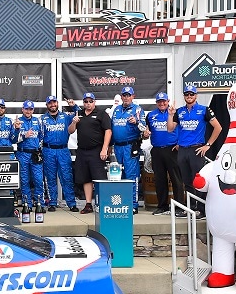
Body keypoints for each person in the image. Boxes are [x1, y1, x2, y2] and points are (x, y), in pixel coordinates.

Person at [166, 84, 222, 219]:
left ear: (196, 96)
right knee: (187, 181)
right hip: (182, 150)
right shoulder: (179, 111)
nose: (189, 96)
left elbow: (218, 127)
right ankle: (191, 209)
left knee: (199, 181)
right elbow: (170, 129)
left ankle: (202, 210)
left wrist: (208, 145)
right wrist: (170, 115)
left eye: (191, 94)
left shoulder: (204, 110)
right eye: (187, 94)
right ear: (184, 96)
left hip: (197, 149)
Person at [68, 92, 112, 214]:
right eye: (86, 102)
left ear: (94, 102)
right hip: (82, 151)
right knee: (85, 178)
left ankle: (102, 204)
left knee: (99, 178)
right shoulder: (79, 114)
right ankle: (88, 204)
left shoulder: (101, 114)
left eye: (90, 101)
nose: (88, 104)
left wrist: (104, 149)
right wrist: (74, 122)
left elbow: (108, 132)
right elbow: (70, 131)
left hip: (96, 150)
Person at [144, 92, 185, 216]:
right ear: (156, 103)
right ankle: (162, 206)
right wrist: (145, 134)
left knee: (176, 179)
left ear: (168, 101)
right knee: (160, 179)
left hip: (172, 149)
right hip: (157, 150)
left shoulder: (175, 113)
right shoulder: (151, 115)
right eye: (159, 101)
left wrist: (180, 143)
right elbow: (147, 131)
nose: (162, 103)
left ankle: (178, 208)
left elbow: (184, 129)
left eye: (164, 101)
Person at [111, 86, 145, 214]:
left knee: (131, 175)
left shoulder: (137, 109)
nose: (126, 97)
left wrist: (136, 121)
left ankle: (133, 204)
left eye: (128, 95)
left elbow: (144, 128)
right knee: (118, 176)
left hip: (130, 146)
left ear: (133, 96)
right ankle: (122, 202)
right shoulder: (116, 109)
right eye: (124, 95)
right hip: (118, 147)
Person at [41, 96, 79, 212]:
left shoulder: (65, 116)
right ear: (47, 105)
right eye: (50, 103)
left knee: (67, 177)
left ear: (57, 103)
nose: (52, 105)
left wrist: (73, 106)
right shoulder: (42, 119)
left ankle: (71, 203)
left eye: (54, 102)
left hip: (63, 150)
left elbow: (79, 115)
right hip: (48, 150)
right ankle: (52, 202)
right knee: (50, 177)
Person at [14, 100, 45, 212]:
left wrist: (38, 149)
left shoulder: (38, 121)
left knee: (38, 179)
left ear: (33, 110)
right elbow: (13, 139)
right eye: (26, 109)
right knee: (24, 180)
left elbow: (42, 137)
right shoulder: (18, 122)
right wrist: (24, 135)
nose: (28, 111)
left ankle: (39, 203)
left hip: (35, 154)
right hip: (22, 153)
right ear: (22, 109)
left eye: (30, 109)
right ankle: (27, 204)